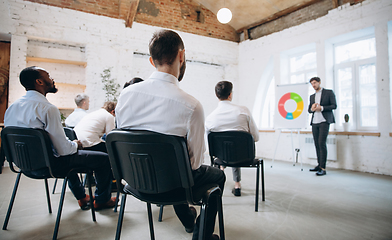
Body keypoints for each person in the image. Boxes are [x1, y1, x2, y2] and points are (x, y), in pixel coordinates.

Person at [116, 29, 225, 240]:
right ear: (181, 56)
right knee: (216, 175)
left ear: (151, 60)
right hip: (174, 185)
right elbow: (194, 165)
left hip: (134, 182)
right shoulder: (191, 105)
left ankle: (187, 218)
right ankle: (201, 235)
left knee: (175, 171)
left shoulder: (126, 95)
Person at [4, 66, 116, 210]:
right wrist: (76, 144)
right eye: (48, 76)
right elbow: (63, 150)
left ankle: (82, 197)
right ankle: (102, 200)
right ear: (39, 81)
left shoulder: (12, 108)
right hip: (49, 165)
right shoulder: (47, 108)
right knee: (102, 159)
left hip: (23, 165)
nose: (52, 79)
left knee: (68, 156)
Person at [205, 81, 259, 197]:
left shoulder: (210, 118)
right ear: (230, 94)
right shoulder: (243, 111)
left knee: (227, 149)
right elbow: (255, 137)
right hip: (245, 157)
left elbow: (210, 146)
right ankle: (237, 185)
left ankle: (220, 174)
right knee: (236, 148)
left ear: (216, 95)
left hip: (221, 157)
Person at [308, 77, 337, 176]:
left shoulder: (329, 93)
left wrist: (322, 108)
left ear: (319, 82)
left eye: (315, 83)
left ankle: (323, 168)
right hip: (314, 122)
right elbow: (309, 110)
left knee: (321, 143)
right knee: (316, 143)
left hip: (324, 121)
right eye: (312, 84)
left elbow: (334, 106)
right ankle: (319, 165)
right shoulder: (312, 96)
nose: (313, 85)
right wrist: (312, 109)